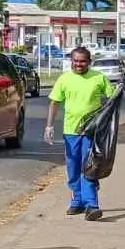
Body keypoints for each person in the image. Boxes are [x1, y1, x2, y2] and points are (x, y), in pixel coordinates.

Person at [44, 46, 115, 220]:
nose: (79, 64)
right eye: (75, 61)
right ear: (71, 61)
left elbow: (112, 100)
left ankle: (92, 205)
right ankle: (78, 200)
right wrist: (49, 126)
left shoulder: (99, 78)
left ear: (89, 62)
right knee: (73, 168)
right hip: (70, 131)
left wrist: (106, 124)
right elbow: (54, 103)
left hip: (92, 132)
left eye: (82, 61)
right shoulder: (64, 79)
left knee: (89, 166)